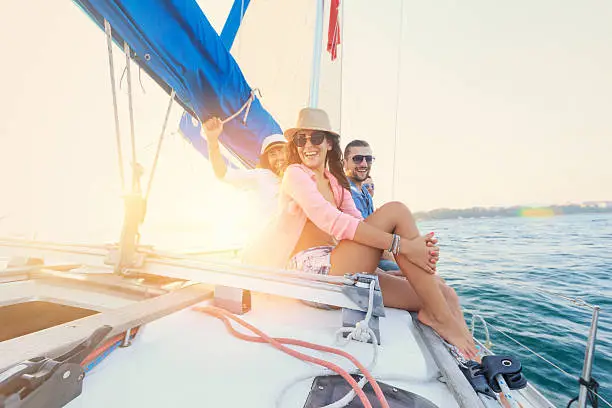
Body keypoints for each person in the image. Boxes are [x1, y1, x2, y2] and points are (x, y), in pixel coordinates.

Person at [256, 107, 476, 358]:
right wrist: (404, 246)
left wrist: (408, 257)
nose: (308, 145)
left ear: (328, 143)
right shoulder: (295, 175)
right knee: (396, 211)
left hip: (339, 269)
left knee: (441, 291)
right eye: (301, 139)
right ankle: (441, 318)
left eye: (315, 138)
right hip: (312, 275)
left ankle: (471, 352)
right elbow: (334, 223)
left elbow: (361, 225)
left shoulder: (335, 183)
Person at [203, 117, 287, 262]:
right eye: (272, 154)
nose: (278, 157)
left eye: (282, 151)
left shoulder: (300, 177)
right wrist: (212, 141)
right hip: (260, 252)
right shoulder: (261, 176)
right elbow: (222, 174)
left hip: (287, 254)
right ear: (266, 159)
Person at [344, 140, 399, 272]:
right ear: (344, 163)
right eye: (357, 159)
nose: (363, 164)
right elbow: (366, 238)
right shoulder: (345, 193)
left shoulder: (365, 193)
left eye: (368, 159)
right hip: (357, 260)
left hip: (376, 256)